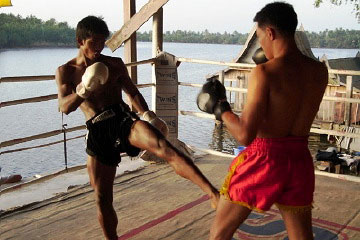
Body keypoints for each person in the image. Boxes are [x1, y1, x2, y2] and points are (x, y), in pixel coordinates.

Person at [55, 16, 219, 240]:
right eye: (94, 42)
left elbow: (132, 92)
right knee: (102, 198)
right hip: (97, 129)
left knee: (164, 146)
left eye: (102, 42)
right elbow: (64, 107)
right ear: (79, 41)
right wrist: (83, 90)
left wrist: (148, 115)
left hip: (122, 118)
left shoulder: (114, 64)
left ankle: (212, 193)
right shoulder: (66, 71)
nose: (99, 48)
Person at [197, 2, 328, 240]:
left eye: (260, 37)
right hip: (299, 160)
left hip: (264, 159)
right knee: (302, 237)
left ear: (270, 33)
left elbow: (245, 135)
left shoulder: (265, 72)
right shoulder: (319, 71)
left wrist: (221, 108)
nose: (261, 45)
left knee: (219, 233)